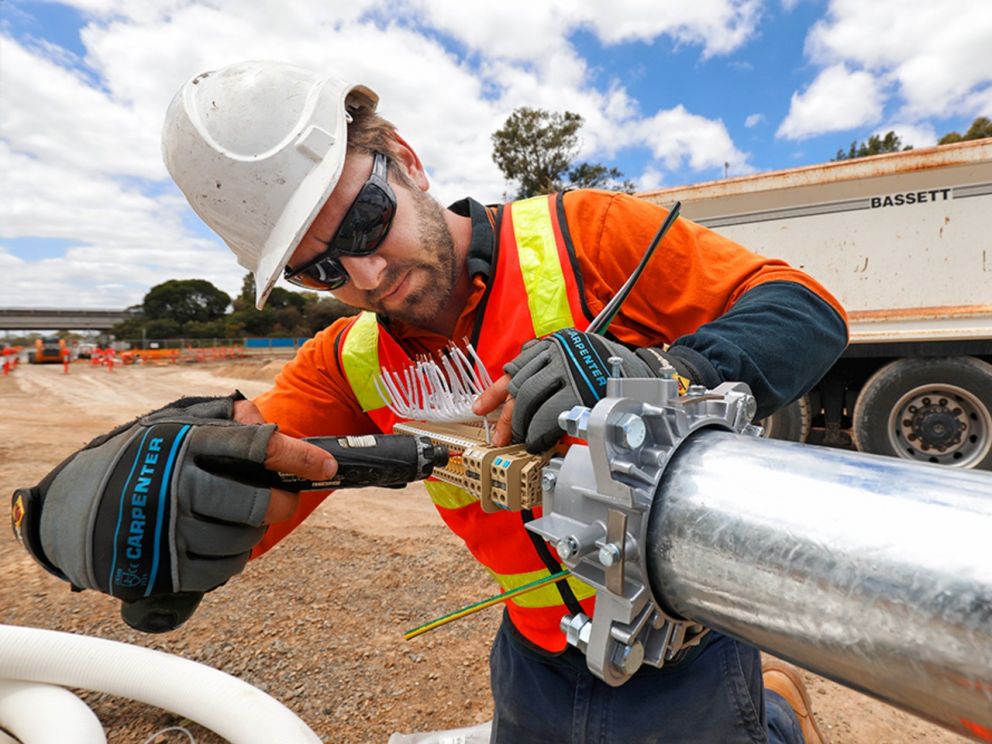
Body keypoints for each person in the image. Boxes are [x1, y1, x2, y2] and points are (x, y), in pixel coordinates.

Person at [13, 61, 847, 743]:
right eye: (323, 271)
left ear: (405, 160)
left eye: (366, 220)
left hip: (684, 643)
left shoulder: (582, 236)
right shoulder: (347, 362)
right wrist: (124, 524)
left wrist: (657, 371)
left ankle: (772, 710)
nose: (366, 276)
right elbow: (253, 472)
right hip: (534, 655)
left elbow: (804, 311)